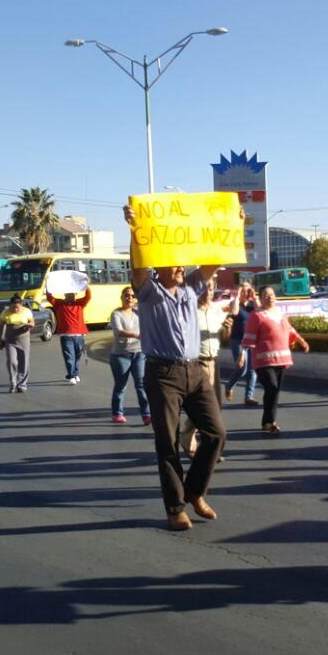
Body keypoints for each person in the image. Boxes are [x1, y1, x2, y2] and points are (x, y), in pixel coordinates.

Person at [124, 206, 225, 531]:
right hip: (163, 375)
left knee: (216, 434)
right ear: (160, 265)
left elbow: (210, 262)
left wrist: (230, 225)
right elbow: (138, 267)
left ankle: (195, 491)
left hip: (195, 371)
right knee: (167, 443)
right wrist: (135, 231)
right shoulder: (149, 291)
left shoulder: (191, 287)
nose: (181, 266)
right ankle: (175, 507)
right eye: (174, 262)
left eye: (182, 262)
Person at [240, 285, 309, 434]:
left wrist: (301, 341)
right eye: (265, 294)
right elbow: (248, 338)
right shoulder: (256, 315)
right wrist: (242, 355)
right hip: (263, 361)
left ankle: (268, 422)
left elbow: (290, 330)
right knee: (271, 387)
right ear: (260, 298)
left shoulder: (280, 313)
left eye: (271, 294)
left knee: (275, 391)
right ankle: (269, 421)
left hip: (281, 359)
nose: (270, 297)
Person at [180, 278, 236, 455]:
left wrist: (227, 329)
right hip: (196, 363)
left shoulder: (217, 311)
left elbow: (224, 339)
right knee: (205, 407)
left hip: (213, 362)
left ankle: (190, 437)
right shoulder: (190, 311)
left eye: (211, 289)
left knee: (212, 407)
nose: (208, 292)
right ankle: (207, 447)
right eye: (204, 288)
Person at [108, 287, 150, 423]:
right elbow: (119, 332)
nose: (130, 298)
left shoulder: (139, 313)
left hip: (138, 353)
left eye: (132, 296)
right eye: (127, 295)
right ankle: (117, 413)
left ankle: (147, 414)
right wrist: (137, 335)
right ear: (122, 297)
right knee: (121, 385)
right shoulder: (116, 314)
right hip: (121, 355)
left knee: (141, 384)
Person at [47, 286, 91, 385]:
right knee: (69, 357)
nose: (70, 296)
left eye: (72, 294)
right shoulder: (59, 304)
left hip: (79, 335)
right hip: (66, 335)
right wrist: (48, 285)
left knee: (77, 356)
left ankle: (75, 373)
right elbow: (49, 297)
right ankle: (71, 375)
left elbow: (88, 296)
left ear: (75, 295)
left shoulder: (80, 303)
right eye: (68, 294)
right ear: (65, 295)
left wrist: (86, 285)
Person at [224, 282, 258, 405]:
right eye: (242, 291)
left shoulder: (252, 305)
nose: (245, 293)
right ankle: (229, 386)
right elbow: (234, 312)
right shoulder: (235, 304)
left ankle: (248, 397)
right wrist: (237, 296)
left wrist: (254, 297)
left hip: (251, 341)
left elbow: (260, 311)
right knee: (241, 368)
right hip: (237, 340)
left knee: (252, 370)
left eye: (247, 291)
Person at [0, 295, 35, 393]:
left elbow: (32, 323)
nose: (15, 309)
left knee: (24, 362)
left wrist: (30, 325)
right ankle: (13, 383)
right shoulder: (6, 312)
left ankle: (22, 384)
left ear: (21, 305)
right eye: (13, 307)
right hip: (10, 340)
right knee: (12, 361)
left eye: (17, 307)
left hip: (24, 339)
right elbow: (1, 326)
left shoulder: (27, 311)